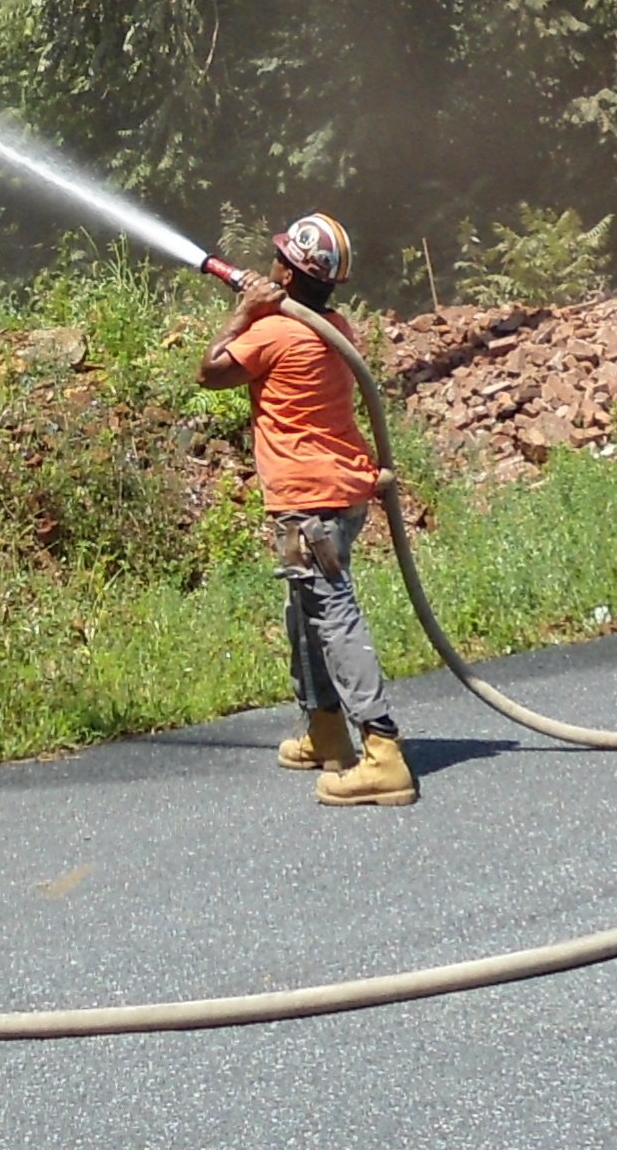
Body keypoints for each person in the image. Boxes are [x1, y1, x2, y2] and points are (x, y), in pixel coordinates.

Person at [199, 212, 414, 808]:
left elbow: (210, 371)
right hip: (341, 494)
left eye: (277, 261)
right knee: (306, 616)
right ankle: (326, 735)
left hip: (308, 504)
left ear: (287, 275)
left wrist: (243, 313)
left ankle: (383, 753)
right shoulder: (333, 325)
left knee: (333, 616)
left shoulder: (273, 333)